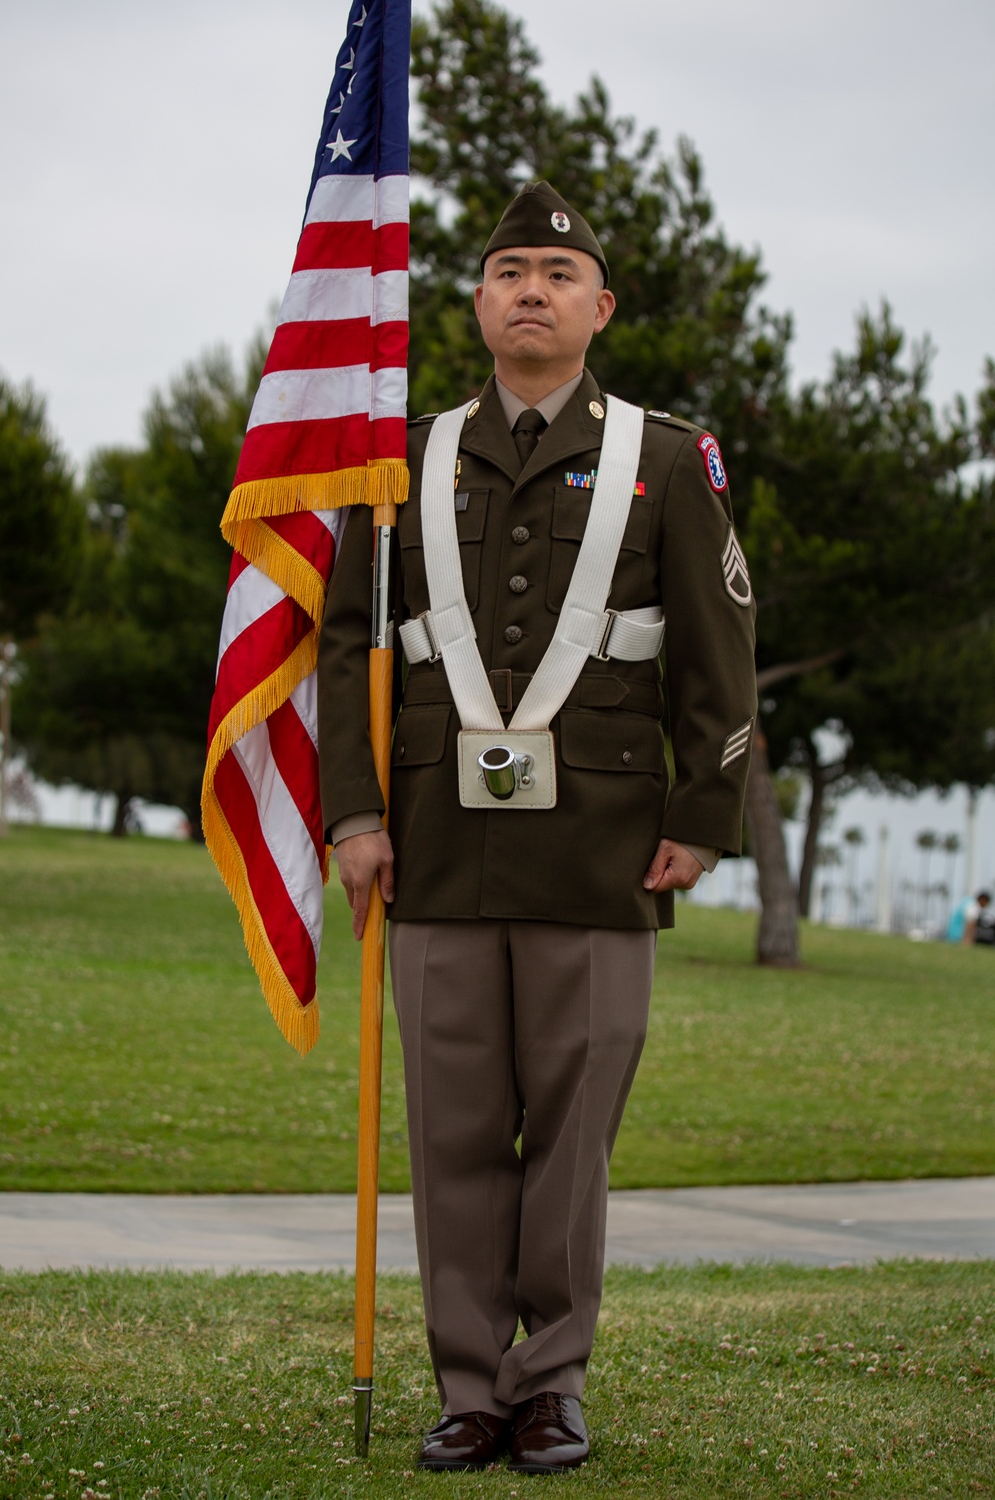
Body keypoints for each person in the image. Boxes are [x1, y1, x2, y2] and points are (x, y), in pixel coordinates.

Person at [317, 181, 757, 1473]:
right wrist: (352, 811)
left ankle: (550, 1380)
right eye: (508, 270)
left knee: (572, 1135)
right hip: (435, 845)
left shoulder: (669, 461)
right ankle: (468, 1384)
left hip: (606, 851)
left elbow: (720, 657)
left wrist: (703, 817)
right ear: (474, 301)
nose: (530, 291)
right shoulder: (398, 462)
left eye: (557, 276)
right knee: (452, 1129)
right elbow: (351, 648)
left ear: (599, 307)